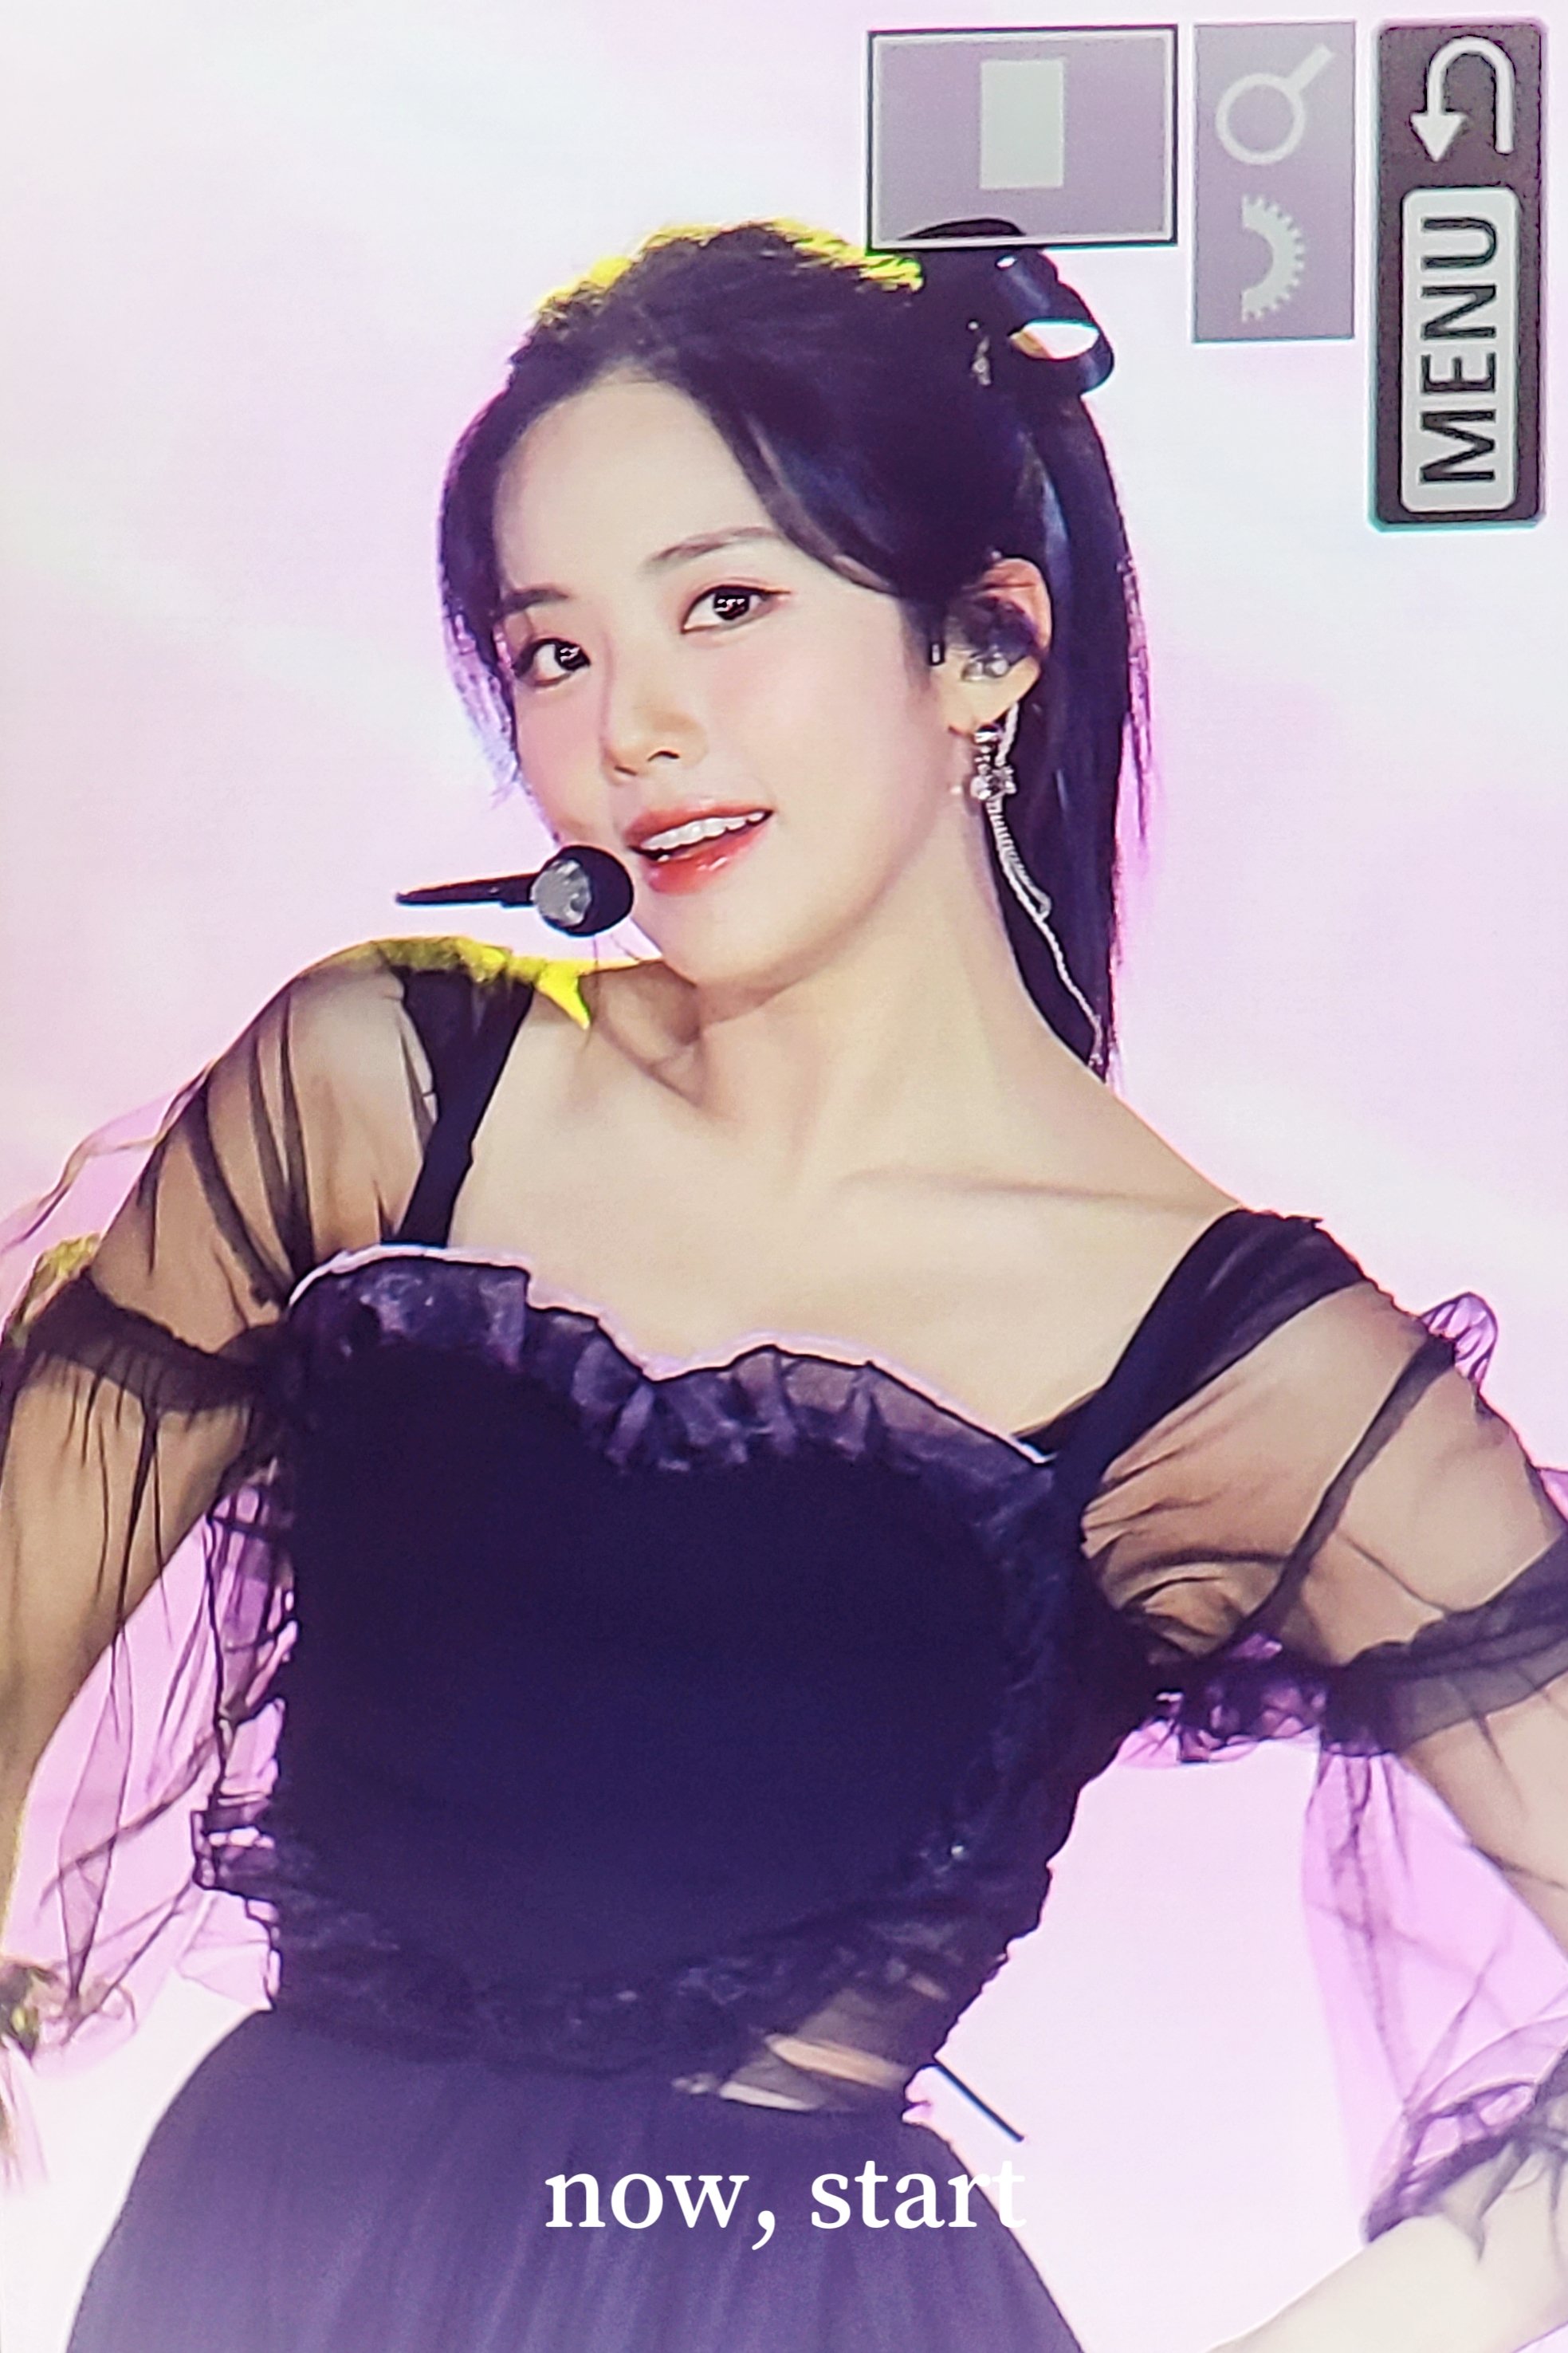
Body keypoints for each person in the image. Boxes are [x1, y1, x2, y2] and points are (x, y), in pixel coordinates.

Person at [2, 220, 1566, 2353]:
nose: (634, 728)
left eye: (726, 606)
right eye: (552, 651)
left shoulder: (1240, 1371)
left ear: (985, 646)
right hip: (256, 2272)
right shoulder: (380, 1092)